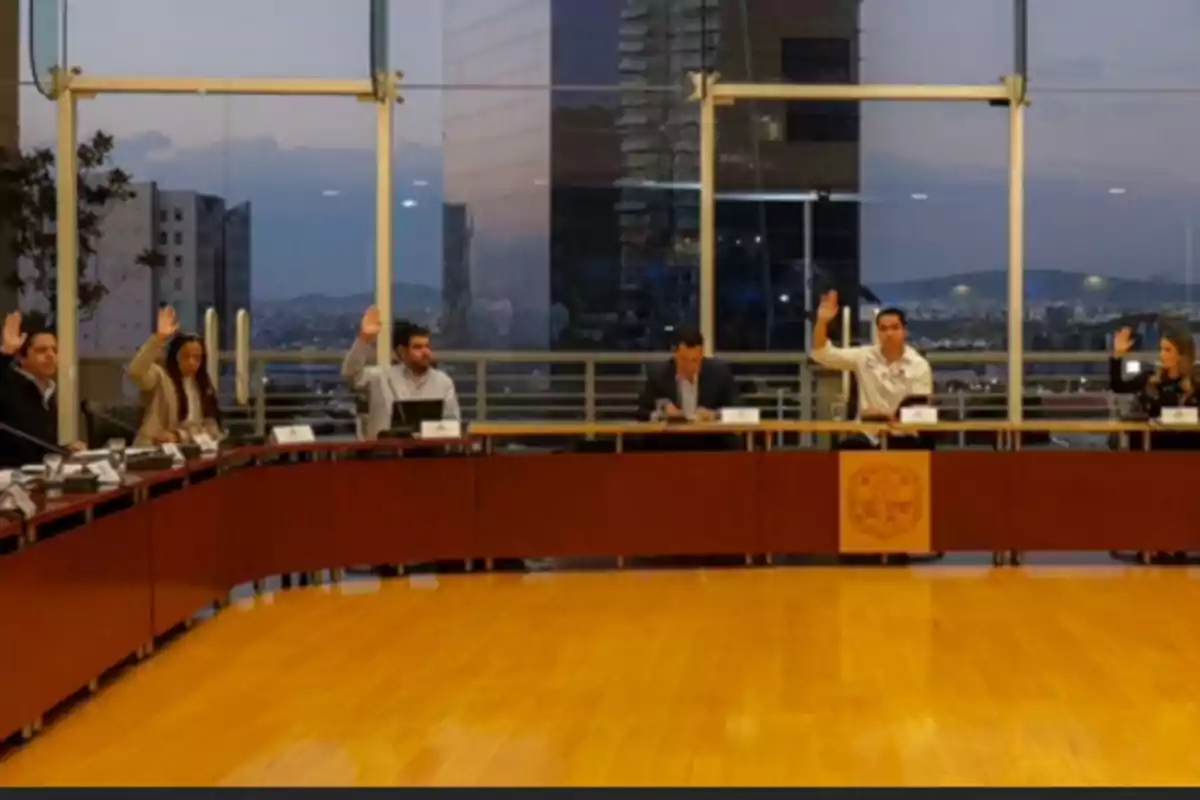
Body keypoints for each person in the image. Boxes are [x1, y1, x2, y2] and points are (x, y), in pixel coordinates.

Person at [810, 291, 933, 450]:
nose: (889, 333)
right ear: (878, 332)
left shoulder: (918, 365)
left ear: (904, 331)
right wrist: (822, 321)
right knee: (845, 451)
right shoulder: (864, 356)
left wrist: (891, 417)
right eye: (883, 329)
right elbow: (821, 353)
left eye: (895, 328)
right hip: (867, 434)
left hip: (903, 434)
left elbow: (920, 407)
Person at [342, 307, 460, 440]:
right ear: (402, 352)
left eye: (427, 346)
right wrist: (363, 339)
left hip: (430, 452)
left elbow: (453, 424)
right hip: (385, 453)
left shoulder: (443, 382)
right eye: (417, 347)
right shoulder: (381, 377)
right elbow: (350, 375)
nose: (425, 352)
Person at [127, 306, 223, 447]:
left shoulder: (201, 386)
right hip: (156, 450)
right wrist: (159, 338)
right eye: (186, 356)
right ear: (175, 356)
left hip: (190, 450)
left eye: (197, 358)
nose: (191, 362)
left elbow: (208, 428)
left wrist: (181, 436)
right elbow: (135, 372)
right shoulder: (161, 377)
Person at [0, 311, 85, 467]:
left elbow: (38, 444)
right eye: (42, 350)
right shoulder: (8, 385)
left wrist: (65, 448)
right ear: (21, 356)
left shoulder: (47, 390)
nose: (51, 355)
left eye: (54, 350)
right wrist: (5, 352)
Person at [1110, 325, 1199, 450]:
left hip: (1189, 449)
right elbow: (1118, 386)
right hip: (1156, 446)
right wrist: (1117, 355)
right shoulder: (1150, 378)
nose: (1162, 355)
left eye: (1168, 350)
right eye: (1161, 349)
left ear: (1181, 354)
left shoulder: (1195, 383)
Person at [636, 327, 741, 421]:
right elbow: (641, 412)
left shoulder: (719, 373)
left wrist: (715, 415)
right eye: (684, 360)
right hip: (671, 438)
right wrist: (661, 414)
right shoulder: (658, 374)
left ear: (702, 356)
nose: (689, 366)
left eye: (695, 360)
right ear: (675, 355)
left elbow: (737, 409)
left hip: (708, 438)